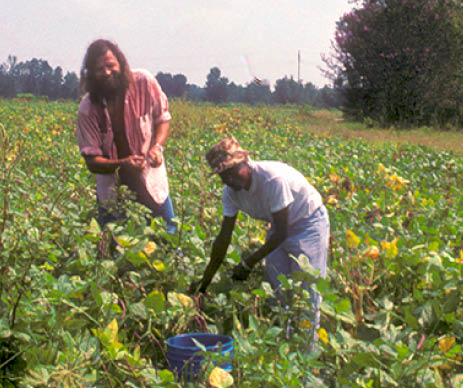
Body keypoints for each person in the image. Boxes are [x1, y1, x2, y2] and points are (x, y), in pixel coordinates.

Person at [189, 136, 329, 332]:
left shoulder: (272, 179)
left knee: (308, 290)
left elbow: (281, 233)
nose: (229, 179)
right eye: (223, 176)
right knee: (277, 289)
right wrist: (204, 283)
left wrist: (248, 262)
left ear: (245, 162)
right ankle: (285, 344)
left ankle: (307, 353)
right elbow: (223, 239)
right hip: (280, 226)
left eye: (232, 171)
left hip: (308, 223)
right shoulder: (231, 193)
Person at [76, 39, 176, 234]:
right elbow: (92, 161)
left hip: (150, 178)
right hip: (113, 188)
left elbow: (162, 118)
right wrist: (123, 164)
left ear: (120, 64)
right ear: (90, 73)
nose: (106, 72)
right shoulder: (88, 108)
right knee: (115, 244)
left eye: (110, 65)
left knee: (168, 237)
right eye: (99, 69)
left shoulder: (144, 83)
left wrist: (157, 147)